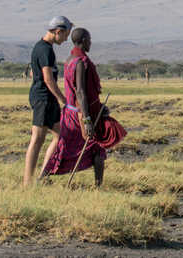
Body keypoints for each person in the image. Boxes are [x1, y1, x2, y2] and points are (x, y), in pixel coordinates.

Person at [42, 27, 126, 185]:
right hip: (81, 114)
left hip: (71, 112)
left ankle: (45, 176)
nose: (91, 43)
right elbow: (80, 92)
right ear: (84, 41)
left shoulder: (69, 60)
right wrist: (87, 120)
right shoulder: (80, 62)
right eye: (90, 40)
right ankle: (97, 186)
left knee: (66, 147)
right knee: (97, 146)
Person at [23, 15, 71, 186]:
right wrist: (63, 99)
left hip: (48, 99)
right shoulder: (45, 49)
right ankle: (27, 182)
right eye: (65, 35)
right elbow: (47, 78)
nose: (66, 39)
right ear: (58, 31)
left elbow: (33, 72)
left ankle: (43, 176)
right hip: (43, 98)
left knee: (59, 136)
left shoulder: (45, 48)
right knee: (37, 138)